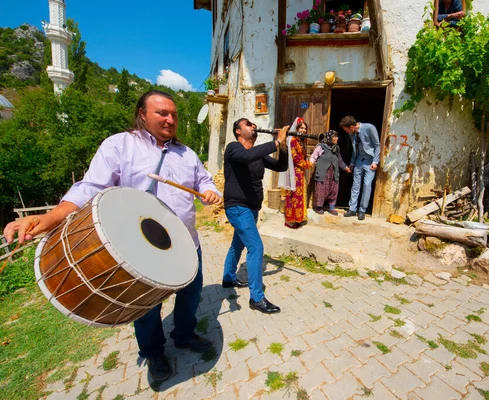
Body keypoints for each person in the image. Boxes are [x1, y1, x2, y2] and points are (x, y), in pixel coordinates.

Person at [2, 90, 222, 383]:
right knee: (145, 306)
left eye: (174, 114)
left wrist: (211, 192)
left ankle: (183, 335)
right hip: (138, 250)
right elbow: (90, 186)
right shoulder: (120, 145)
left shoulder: (187, 153)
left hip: (185, 245)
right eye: (162, 113)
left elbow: (204, 180)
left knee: (190, 295)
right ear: (142, 114)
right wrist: (53, 216)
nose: (170, 119)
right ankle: (154, 351)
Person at [222, 118, 289, 314]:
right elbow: (245, 157)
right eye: (247, 124)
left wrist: (282, 146)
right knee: (256, 246)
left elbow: (280, 167)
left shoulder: (257, 154)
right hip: (237, 207)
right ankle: (257, 298)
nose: (253, 125)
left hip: (252, 208)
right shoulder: (233, 148)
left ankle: (228, 277)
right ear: (238, 131)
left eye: (253, 124)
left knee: (238, 242)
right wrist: (275, 142)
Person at [339, 116, 380, 221]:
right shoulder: (351, 134)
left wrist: (375, 161)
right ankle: (352, 208)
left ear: (352, 127)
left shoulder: (369, 128)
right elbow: (354, 149)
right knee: (355, 184)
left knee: (367, 185)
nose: (346, 132)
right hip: (358, 160)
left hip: (370, 161)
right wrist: (352, 163)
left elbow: (377, 145)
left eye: (346, 129)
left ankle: (362, 210)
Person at [309, 130, 350, 215]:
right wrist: (310, 163)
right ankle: (319, 207)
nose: (336, 138)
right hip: (323, 173)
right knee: (321, 189)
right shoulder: (321, 147)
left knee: (333, 190)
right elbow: (314, 156)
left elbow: (340, 161)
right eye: (334, 136)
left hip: (333, 173)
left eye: (337, 136)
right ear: (329, 137)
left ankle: (331, 207)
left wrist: (346, 168)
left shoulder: (336, 148)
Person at [283, 118, 309, 229]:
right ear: (296, 128)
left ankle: (298, 218)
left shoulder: (301, 141)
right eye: (301, 128)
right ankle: (290, 220)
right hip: (293, 172)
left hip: (300, 173)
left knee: (299, 196)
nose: (303, 130)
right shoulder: (293, 141)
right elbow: (295, 158)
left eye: (305, 128)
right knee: (292, 195)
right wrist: (308, 164)